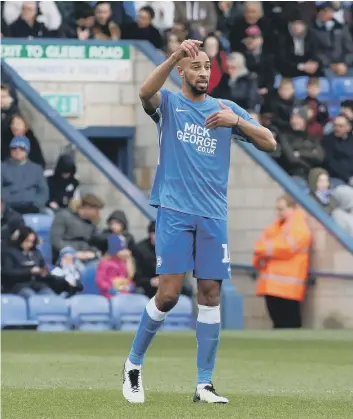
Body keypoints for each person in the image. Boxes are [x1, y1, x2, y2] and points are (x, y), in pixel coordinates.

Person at [122, 39, 276, 404]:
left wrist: (236, 120)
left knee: (210, 295)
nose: (203, 72)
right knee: (170, 295)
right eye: (196, 66)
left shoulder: (226, 109)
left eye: (207, 66)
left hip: (213, 215)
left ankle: (204, 384)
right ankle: (133, 365)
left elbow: (270, 142)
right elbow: (145, 93)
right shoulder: (171, 104)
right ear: (182, 72)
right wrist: (175, 53)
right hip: (175, 211)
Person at [253, 195, 312, 329]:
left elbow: (285, 248)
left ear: (292, 208)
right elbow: (261, 250)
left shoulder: (299, 227)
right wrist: (263, 250)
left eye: (282, 209)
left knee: (289, 325)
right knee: (279, 325)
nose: (278, 212)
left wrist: (263, 249)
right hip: (273, 287)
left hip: (288, 288)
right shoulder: (277, 227)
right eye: (277, 209)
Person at [2, 226, 79, 298]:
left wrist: (43, 273)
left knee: (50, 296)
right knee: (32, 297)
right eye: (27, 241)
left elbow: (44, 268)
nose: (29, 244)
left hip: (38, 284)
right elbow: (7, 273)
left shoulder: (36, 253)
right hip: (19, 285)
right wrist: (29, 271)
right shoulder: (10, 253)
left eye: (32, 242)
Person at [50, 193, 104, 263]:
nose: (97, 214)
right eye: (96, 210)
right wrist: (74, 253)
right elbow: (56, 241)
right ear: (88, 207)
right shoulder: (63, 216)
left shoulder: (90, 224)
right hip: (66, 258)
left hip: (86, 258)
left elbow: (92, 243)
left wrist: (95, 252)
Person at [1, 136, 49, 214]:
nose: (17, 151)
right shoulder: (2, 168)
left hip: (32, 206)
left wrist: (37, 204)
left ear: (27, 151)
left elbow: (43, 191)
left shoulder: (37, 169)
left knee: (49, 214)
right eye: (14, 148)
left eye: (21, 149)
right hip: (9, 207)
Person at [96, 234, 135, 299]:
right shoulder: (104, 263)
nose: (125, 252)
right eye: (122, 249)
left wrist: (130, 286)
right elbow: (100, 281)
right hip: (109, 294)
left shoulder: (124, 262)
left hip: (125, 293)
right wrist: (110, 289)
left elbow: (128, 279)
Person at [322, 115, 353, 187]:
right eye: (335, 125)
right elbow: (330, 162)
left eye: (340, 126)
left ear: (349, 128)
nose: (337, 128)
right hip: (336, 178)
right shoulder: (327, 140)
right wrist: (348, 177)